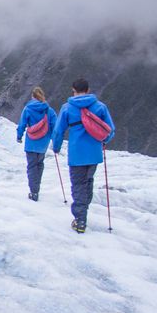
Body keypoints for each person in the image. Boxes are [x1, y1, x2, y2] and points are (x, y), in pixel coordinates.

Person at [52, 78, 116, 233]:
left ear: (73, 90)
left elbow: (58, 130)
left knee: (78, 185)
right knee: (88, 182)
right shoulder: (100, 107)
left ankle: (80, 220)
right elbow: (110, 130)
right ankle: (83, 210)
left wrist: (56, 147)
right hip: (94, 153)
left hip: (76, 153)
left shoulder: (67, 108)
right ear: (88, 90)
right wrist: (104, 141)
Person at [16, 86, 56, 201]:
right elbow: (55, 127)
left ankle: (34, 191)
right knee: (39, 164)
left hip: (31, 142)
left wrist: (19, 136)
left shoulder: (28, 109)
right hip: (43, 143)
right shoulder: (49, 110)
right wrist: (55, 141)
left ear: (33, 96)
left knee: (31, 166)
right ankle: (37, 187)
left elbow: (22, 124)